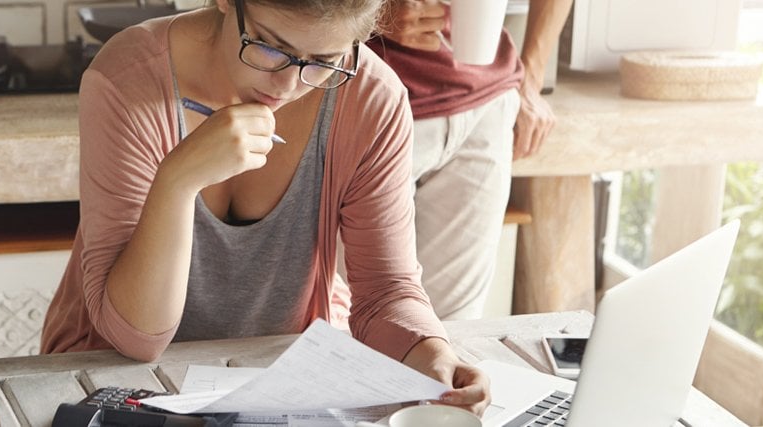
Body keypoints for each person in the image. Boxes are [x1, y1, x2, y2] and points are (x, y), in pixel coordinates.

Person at [40, 0, 490, 414]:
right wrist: (177, 182)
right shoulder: (127, 77)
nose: (288, 85)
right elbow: (135, 335)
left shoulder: (372, 98)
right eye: (270, 47)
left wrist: (434, 355)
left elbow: (385, 292)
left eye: (324, 62)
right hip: (108, 380)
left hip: (279, 383)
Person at [365, 0, 574, 320]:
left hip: (484, 109)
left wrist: (531, 77)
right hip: (370, 107)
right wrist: (368, 12)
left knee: (455, 332)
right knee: (359, 320)